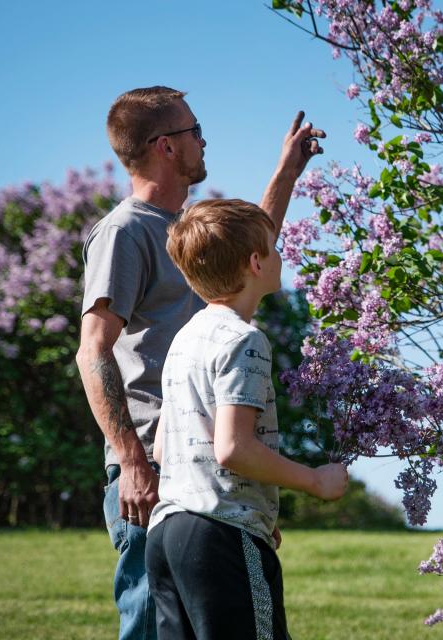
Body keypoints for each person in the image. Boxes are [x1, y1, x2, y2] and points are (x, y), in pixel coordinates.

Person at [75, 86, 324, 640]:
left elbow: (246, 253)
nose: (204, 139)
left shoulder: (185, 229)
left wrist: (286, 173)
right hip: (151, 465)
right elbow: (93, 350)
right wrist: (132, 461)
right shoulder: (125, 232)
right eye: (194, 131)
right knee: (146, 624)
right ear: (165, 146)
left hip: (204, 467)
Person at [146, 198, 349, 639]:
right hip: (219, 536)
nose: (280, 257)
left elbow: (164, 448)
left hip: (166, 537)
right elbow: (233, 448)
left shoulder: (185, 339)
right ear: (256, 263)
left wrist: (254, 509)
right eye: (275, 249)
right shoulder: (245, 340)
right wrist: (315, 481)